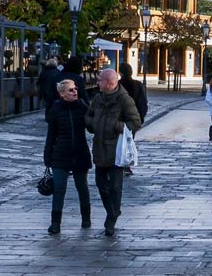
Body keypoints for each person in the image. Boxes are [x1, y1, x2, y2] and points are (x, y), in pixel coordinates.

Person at [85, 66, 142, 236]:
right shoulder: (98, 98)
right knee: (101, 184)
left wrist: (116, 126)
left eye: (100, 80)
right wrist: (93, 124)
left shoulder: (124, 100)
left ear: (109, 83)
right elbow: (89, 116)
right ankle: (113, 210)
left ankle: (111, 218)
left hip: (117, 150)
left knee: (115, 187)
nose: (97, 83)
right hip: (99, 148)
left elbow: (135, 122)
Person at [43, 78, 92, 234]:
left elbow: (92, 126)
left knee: (82, 187)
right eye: (71, 90)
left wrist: (86, 107)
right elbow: (51, 135)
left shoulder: (82, 107)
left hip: (80, 152)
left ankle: (86, 218)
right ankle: (55, 223)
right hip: (61, 154)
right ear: (62, 94)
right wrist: (47, 156)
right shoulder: (56, 110)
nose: (75, 91)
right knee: (59, 189)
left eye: (75, 89)